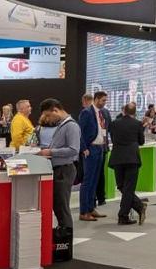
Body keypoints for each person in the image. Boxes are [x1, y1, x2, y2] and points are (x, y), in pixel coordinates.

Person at [36, 99, 80, 233]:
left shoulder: (71, 126)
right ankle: (63, 233)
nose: (47, 119)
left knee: (62, 206)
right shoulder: (61, 125)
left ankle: (66, 236)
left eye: (48, 115)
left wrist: (50, 152)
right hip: (57, 169)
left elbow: (74, 149)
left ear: (55, 110)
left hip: (64, 170)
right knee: (58, 205)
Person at [108, 103, 147, 226]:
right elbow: (141, 141)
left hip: (118, 158)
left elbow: (113, 139)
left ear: (124, 111)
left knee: (121, 186)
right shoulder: (137, 124)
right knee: (128, 188)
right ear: (134, 112)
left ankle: (125, 214)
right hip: (132, 158)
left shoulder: (114, 123)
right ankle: (137, 207)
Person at [78, 91, 111, 222]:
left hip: (100, 148)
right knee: (87, 181)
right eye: (103, 100)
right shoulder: (86, 112)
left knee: (95, 180)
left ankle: (91, 208)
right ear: (96, 99)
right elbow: (79, 131)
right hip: (90, 149)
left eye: (105, 101)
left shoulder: (102, 113)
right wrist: (84, 148)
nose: (104, 103)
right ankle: (83, 211)